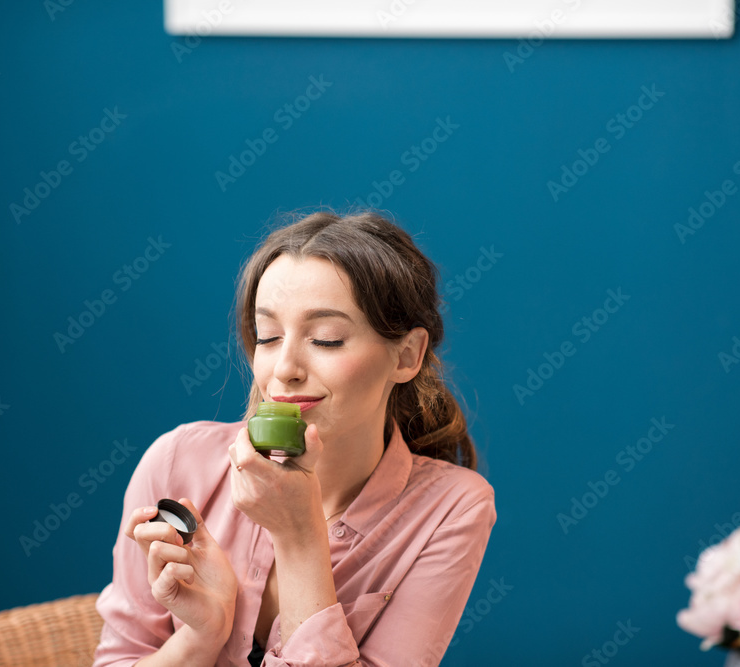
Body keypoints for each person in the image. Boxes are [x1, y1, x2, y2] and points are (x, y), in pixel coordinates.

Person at [92, 209, 496, 667]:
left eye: (325, 339)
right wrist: (202, 636)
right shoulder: (176, 463)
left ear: (406, 356)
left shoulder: (452, 508)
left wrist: (300, 538)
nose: (283, 369)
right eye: (268, 337)